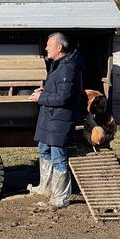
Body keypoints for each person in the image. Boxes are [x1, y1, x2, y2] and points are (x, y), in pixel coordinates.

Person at [27, 32, 84, 208]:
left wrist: (40, 99)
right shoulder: (59, 65)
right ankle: (46, 186)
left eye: (49, 45)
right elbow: (58, 91)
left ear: (59, 47)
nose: (46, 48)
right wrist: (44, 92)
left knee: (59, 157)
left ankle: (61, 197)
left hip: (60, 119)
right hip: (51, 119)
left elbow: (63, 98)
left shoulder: (68, 68)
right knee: (43, 149)